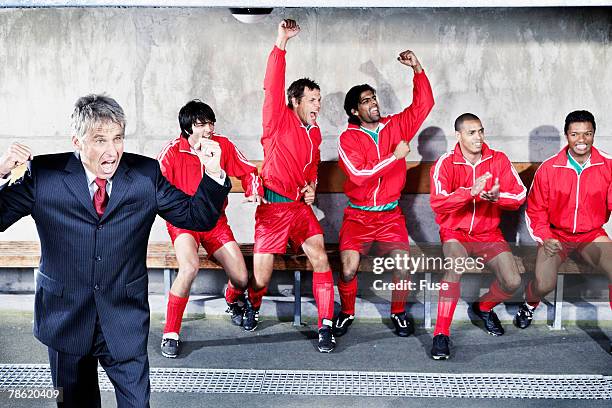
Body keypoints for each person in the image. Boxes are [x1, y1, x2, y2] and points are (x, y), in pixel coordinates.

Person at [0, 94, 230, 407]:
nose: (112, 152)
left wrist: (213, 173)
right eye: (99, 140)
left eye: (118, 138)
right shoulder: (43, 175)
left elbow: (196, 217)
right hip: (66, 318)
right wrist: (0, 174)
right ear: (77, 141)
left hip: (124, 316)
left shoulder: (145, 175)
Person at [247, 19, 336, 353]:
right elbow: (272, 84)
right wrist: (281, 42)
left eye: (319, 99)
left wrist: (312, 188)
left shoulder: (315, 133)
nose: (317, 104)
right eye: (312, 99)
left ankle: (325, 325)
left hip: (299, 210)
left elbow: (311, 169)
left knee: (320, 258)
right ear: (295, 101)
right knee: (261, 277)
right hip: (272, 208)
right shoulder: (277, 119)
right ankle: (248, 303)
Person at [334, 50, 434, 338]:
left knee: (403, 266)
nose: (373, 103)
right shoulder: (348, 138)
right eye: (366, 101)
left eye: (374, 97)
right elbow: (360, 175)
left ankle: (398, 312)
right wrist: (395, 156)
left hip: (391, 215)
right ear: (354, 111)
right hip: (358, 217)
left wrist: (417, 67)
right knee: (349, 267)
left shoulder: (396, 125)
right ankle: (347, 311)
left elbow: (424, 105)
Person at [157, 99, 263, 358]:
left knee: (241, 277)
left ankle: (232, 298)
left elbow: (250, 171)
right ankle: (171, 332)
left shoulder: (222, 145)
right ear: (187, 128)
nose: (209, 129)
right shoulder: (171, 152)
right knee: (190, 266)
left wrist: (252, 190)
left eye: (211, 123)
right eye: (201, 124)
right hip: (183, 223)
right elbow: (153, 186)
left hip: (215, 223)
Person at [429, 113, 526, 360]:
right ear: (458, 135)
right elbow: (438, 203)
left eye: (481, 131)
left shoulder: (499, 160)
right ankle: (441, 334)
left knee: (513, 281)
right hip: (455, 232)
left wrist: (498, 198)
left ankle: (483, 307)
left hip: (488, 234)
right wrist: (468, 193)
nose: (479, 137)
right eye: (472, 133)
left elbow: (519, 196)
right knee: (455, 266)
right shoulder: (446, 162)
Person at [519, 110, 612, 354]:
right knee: (544, 283)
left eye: (587, 134)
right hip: (555, 235)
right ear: (566, 135)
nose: (581, 139)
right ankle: (529, 303)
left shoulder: (608, 166)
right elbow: (535, 211)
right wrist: (545, 237)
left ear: (594, 134)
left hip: (590, 234)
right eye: (575, 134)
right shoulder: (549, 168)